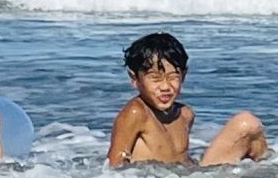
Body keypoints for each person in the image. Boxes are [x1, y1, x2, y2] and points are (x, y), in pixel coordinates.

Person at [106, 31, 267, 168]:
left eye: (172, 77)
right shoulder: (137, 113)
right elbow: (114, 167)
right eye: (155, 78)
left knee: (248, 125)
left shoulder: (184, 114)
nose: (165, 86)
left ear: (184, 75)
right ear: (134, 79)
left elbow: (181, 161)